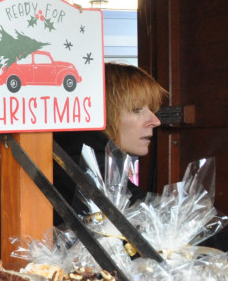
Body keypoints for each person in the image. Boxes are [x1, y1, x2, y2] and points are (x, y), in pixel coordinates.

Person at [54, 62, 166, 210]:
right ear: (101, 113)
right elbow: (149, 214)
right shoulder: (83, 161)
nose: (155, 121)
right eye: (137, 109)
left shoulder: (84, 154)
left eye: (151, 110)